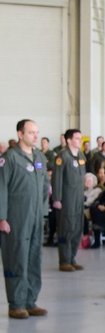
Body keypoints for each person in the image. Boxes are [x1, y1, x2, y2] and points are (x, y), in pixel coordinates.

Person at [0, 119, 49, 319]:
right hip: (17, 218)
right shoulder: (10, 158)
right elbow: (1, 188)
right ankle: (16, 303)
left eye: (37, 132)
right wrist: (2, 217)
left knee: (34, 259)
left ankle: (30, 301)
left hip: (37, 216)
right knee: (17, 259)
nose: (35, 136)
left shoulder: (40, 157)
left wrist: (44, 210)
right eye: (31, 132)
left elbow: (45, 184)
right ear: (20, 134)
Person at [52, 128, 87, 272]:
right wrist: (57, 199)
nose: (80, 141)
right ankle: (64, 260)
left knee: (77, 228)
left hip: (79, 198)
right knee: (66, 229)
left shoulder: (81, 156)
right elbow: (57, 179)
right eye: (77, 138)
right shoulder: (62, 157)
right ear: (69, 140)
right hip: (66, 199)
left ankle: (72, 258)